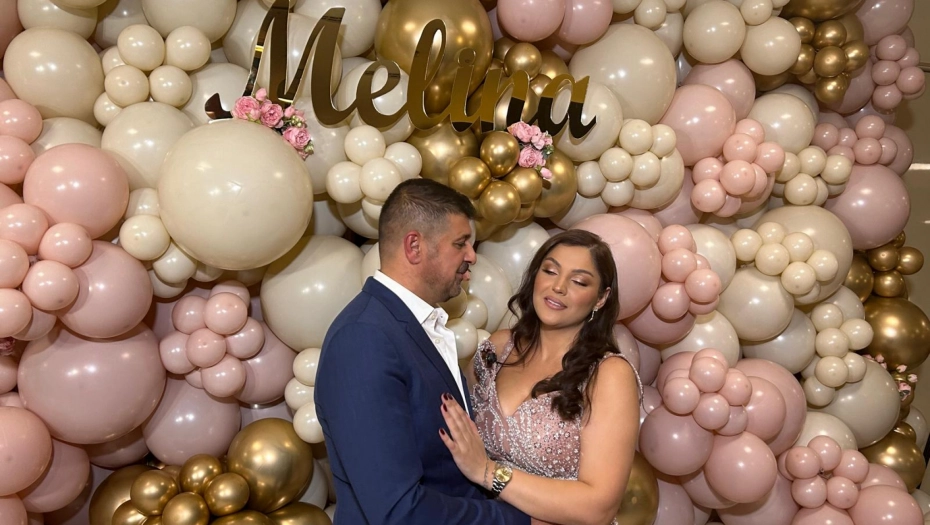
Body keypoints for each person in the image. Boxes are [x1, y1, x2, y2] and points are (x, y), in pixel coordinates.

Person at [315, 178, 530, 525]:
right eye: (460, 243)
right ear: (414, 246)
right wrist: (519, 521)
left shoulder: (414, 325)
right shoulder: (363, 338)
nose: (472, 256)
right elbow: (398, 510)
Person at [439, 230, 642, 525]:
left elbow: (598, 508)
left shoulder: (609, 375)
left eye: (579, 281)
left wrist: (487, 472)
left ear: (601, 299)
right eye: (550, 271)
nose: (558, 287)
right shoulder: (497, 348)